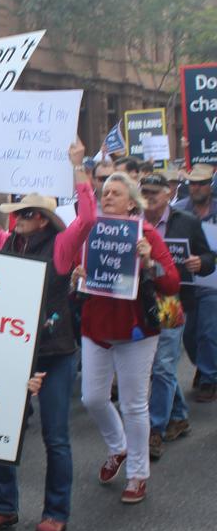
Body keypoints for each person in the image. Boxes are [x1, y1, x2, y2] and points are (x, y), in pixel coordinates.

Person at [0, 143, 96, 531]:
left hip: (53, 353)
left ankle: (56, 510)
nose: (19, 218)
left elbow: (87, 218)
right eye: (17, 213)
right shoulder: (1, 242)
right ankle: (3, 507)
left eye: (28, 214)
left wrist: (78, 167)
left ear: (43, 221)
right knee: (2, 432)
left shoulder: (60, 248)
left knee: (55, 436)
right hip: (12, 354)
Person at [76, 172, 179, 504]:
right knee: (92, 398)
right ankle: (118, 446)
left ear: (132, 202)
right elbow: (72, 272)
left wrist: (149, 261)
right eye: (105, 192)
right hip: (97, 327)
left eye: (115, 193)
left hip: (136, 331)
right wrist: (77, 275)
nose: (107, 197)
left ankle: (137, 474)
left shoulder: (145, 233)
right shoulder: (90, 232)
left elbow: (172, 284)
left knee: (134, 405)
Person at [140, 171, 214, 456]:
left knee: (162, 364)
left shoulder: (187, 222)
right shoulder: (135, 222)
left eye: (154, 192)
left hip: (171, 300)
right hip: (141, 301)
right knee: (162, 366)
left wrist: (200, 263)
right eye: (143, 191)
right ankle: (179, 416)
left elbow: (208, 257)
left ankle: (155, 428)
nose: (147, 197)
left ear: (169, 194)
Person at [175, 163, 217, 402]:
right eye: (193, 183)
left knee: (208, 331)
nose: (197, 187)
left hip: (213, 282)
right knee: (189, 335)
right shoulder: (179, 210)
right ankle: (204, 365)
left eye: (201, 183)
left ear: (210, 185)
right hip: (187, 283)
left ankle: (209, 379)